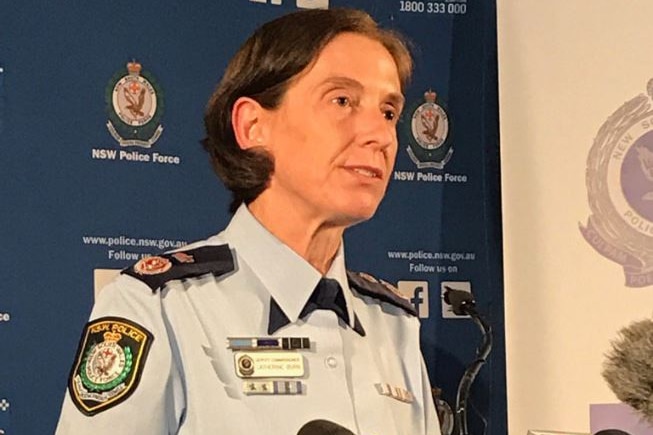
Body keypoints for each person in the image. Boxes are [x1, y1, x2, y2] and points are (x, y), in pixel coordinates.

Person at [56, 8, 441, 434]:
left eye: (388, 112)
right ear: (252, 125)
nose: (380, 135)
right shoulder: (159, 308)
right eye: (342, 101)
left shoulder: (394, 326)